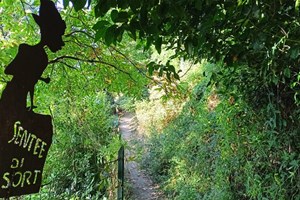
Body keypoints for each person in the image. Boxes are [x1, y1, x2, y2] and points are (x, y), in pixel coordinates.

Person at [1, 0, 66, 111]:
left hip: (20, 101)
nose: (61, 43)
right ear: (46, 31)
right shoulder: (25, 50)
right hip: (10, 99)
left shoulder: (42, 58)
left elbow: (31, 83)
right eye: (57, 36)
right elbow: (9, 70)